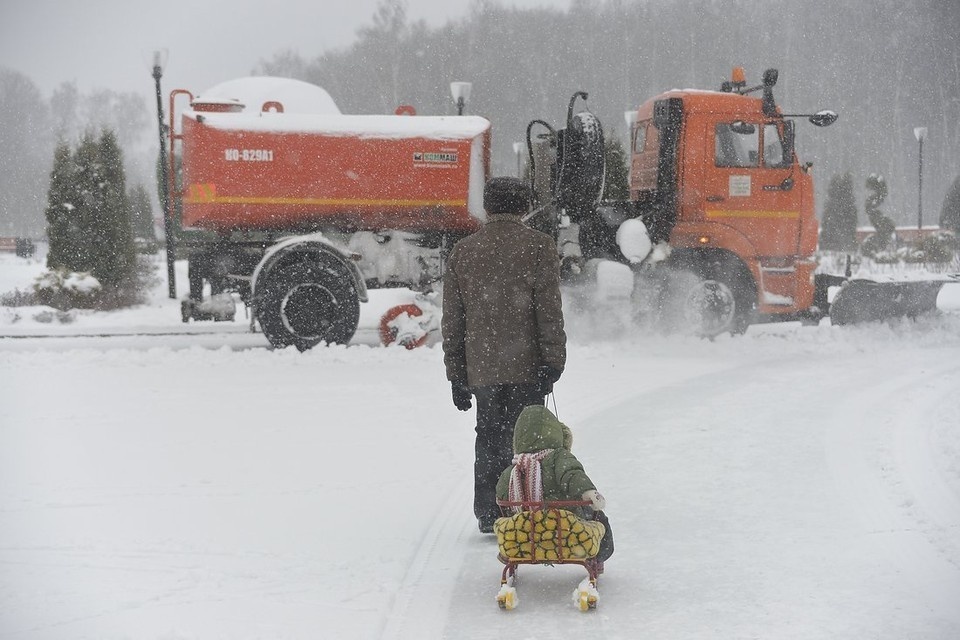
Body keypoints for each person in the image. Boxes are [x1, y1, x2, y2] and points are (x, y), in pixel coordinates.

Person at [442, 176, 566, 534]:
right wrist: (552, 361)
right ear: (525, 206)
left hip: (482, 368)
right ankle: (525, 506)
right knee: (526, 441)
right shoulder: (539, 247)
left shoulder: (463, 251)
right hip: (528, 366)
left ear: (487, 207)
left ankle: (490, 511)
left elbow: (453, 320)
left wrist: (456, 374)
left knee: (488, 437)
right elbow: (549, 312)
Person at [496, 405, 613, 564]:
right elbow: (572, 473)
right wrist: (588, 492)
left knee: (505, 521)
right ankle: (598, 557)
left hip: (525, 533)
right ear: (556, 432)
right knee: (598, 517)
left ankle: (510, 551)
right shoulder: (558, 457)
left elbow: (502, 496)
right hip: (566, 530)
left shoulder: (514, 468)